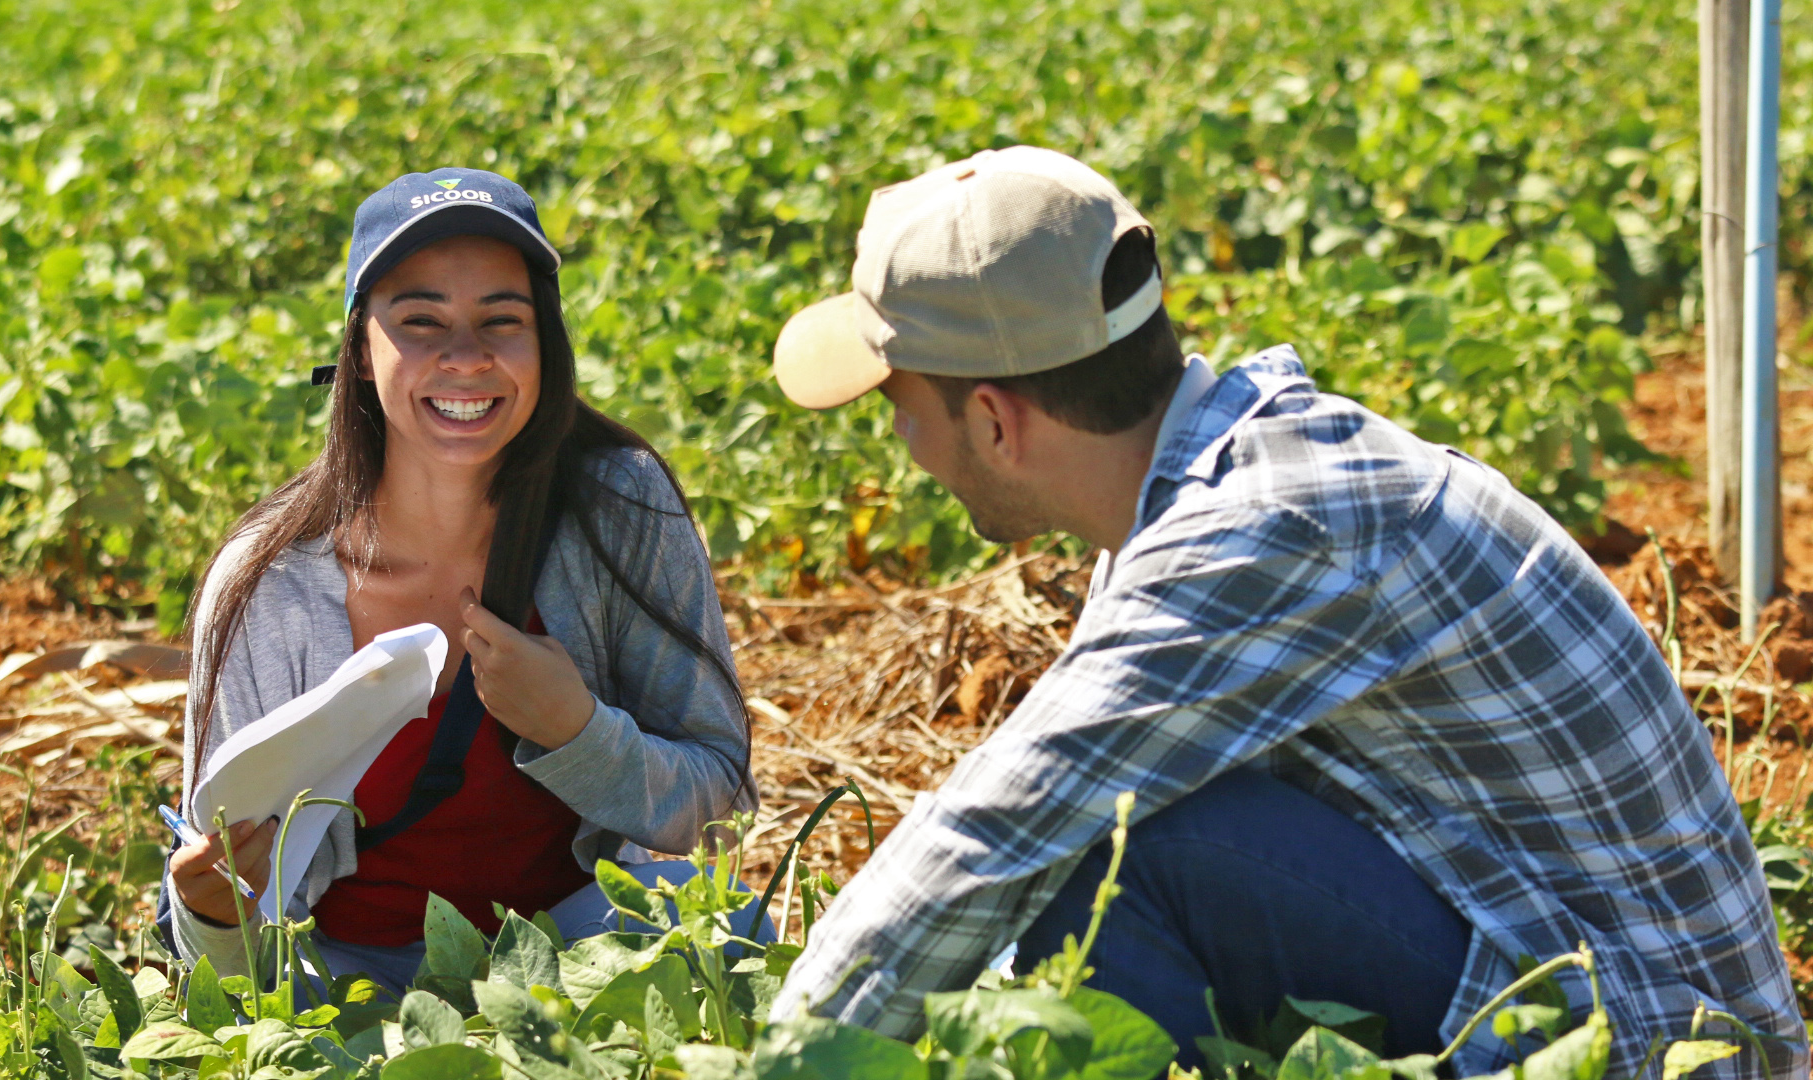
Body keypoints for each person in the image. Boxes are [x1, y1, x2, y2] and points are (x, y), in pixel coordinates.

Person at [763, 146, 1804, 1078]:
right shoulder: (1221, 481)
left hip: (1658, 1049)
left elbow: (999, 833)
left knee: (1116, 856)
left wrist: (789, 1061)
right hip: (1585, 982)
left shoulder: (1264, 531)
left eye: (900, 409)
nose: (900, 446)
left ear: (993, 420)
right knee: (1117, 834)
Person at [165, 168, 757, 995]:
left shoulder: (619, 509)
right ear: (360, 356)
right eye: (420, 321)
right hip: (352, 989)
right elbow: (225, 959)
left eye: (501, 322)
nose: (466, 358)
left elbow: (718, 801)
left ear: (544, 345)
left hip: (580, 957)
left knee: (738, 932)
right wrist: (213, 915)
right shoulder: (269, 585)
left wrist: (579, 731)